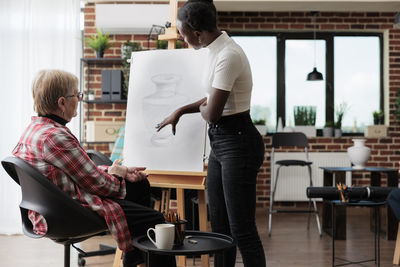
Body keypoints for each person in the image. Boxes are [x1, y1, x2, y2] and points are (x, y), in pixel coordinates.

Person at [12, 69, 176, 267]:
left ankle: (132, 254)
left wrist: (118, 173)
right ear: (62, 102)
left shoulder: (36, 129)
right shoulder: (56, 137)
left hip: (51, 207)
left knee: (140, 185)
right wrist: (118, 178)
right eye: (77, 95)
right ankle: (134, 253)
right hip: (69, 211)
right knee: (156, 220)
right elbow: (99, 186)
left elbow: (78, 172)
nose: (80, 99)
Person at [156, 0, 266, 266]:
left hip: (238, 141)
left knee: (242, 230)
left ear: (195, 32)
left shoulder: (229, 55)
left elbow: (213, 112)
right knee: (219, 227)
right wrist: (180, 111)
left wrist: (205, 107)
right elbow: (211, 99)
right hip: (222, 142)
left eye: (182, 33)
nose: (182, 38)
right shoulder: (214, 51)